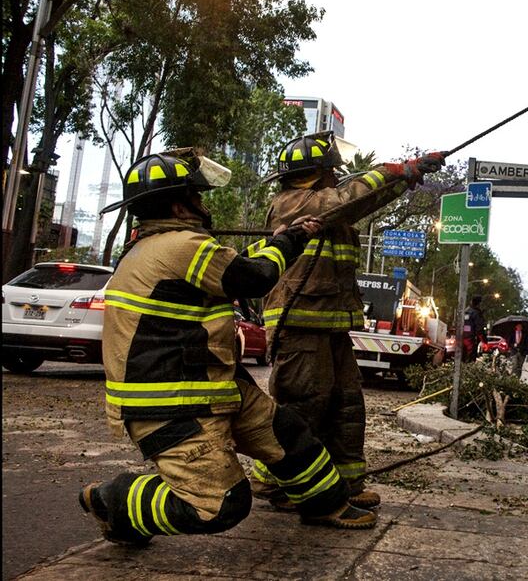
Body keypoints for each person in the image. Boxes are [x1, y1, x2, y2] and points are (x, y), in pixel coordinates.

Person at [79, 152, 373, 547]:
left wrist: (286, 239)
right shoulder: (181, 245)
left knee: (287, 432)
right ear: (180, 205)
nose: (204, 205)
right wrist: (292, 238)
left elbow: (229, 269)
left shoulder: (156, 249)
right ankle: (113, 500)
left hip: (207, 386)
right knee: (221, 505)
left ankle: (326, 503)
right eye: (198, 197)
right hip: (172, 405)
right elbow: (254, 277)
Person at [252, 133, 444, 512]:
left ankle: (344, 483)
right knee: (304, 403)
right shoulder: (293, 203)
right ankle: (276, 481)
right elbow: (345, 199)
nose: (333, 177)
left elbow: (358, 202)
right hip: (300, 323)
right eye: (329, 172)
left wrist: (406, 178)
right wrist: (392, 170)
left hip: (330, 324)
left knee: (346, 403)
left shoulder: (324, 206)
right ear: (316, 174)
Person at [462, 295, 487, 359]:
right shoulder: (476, 313)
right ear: (479, 303)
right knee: (470, 358)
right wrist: (484, 341)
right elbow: (479, 329)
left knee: (463, 358)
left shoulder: (465, 311)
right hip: (471, 339)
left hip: (462, 338)